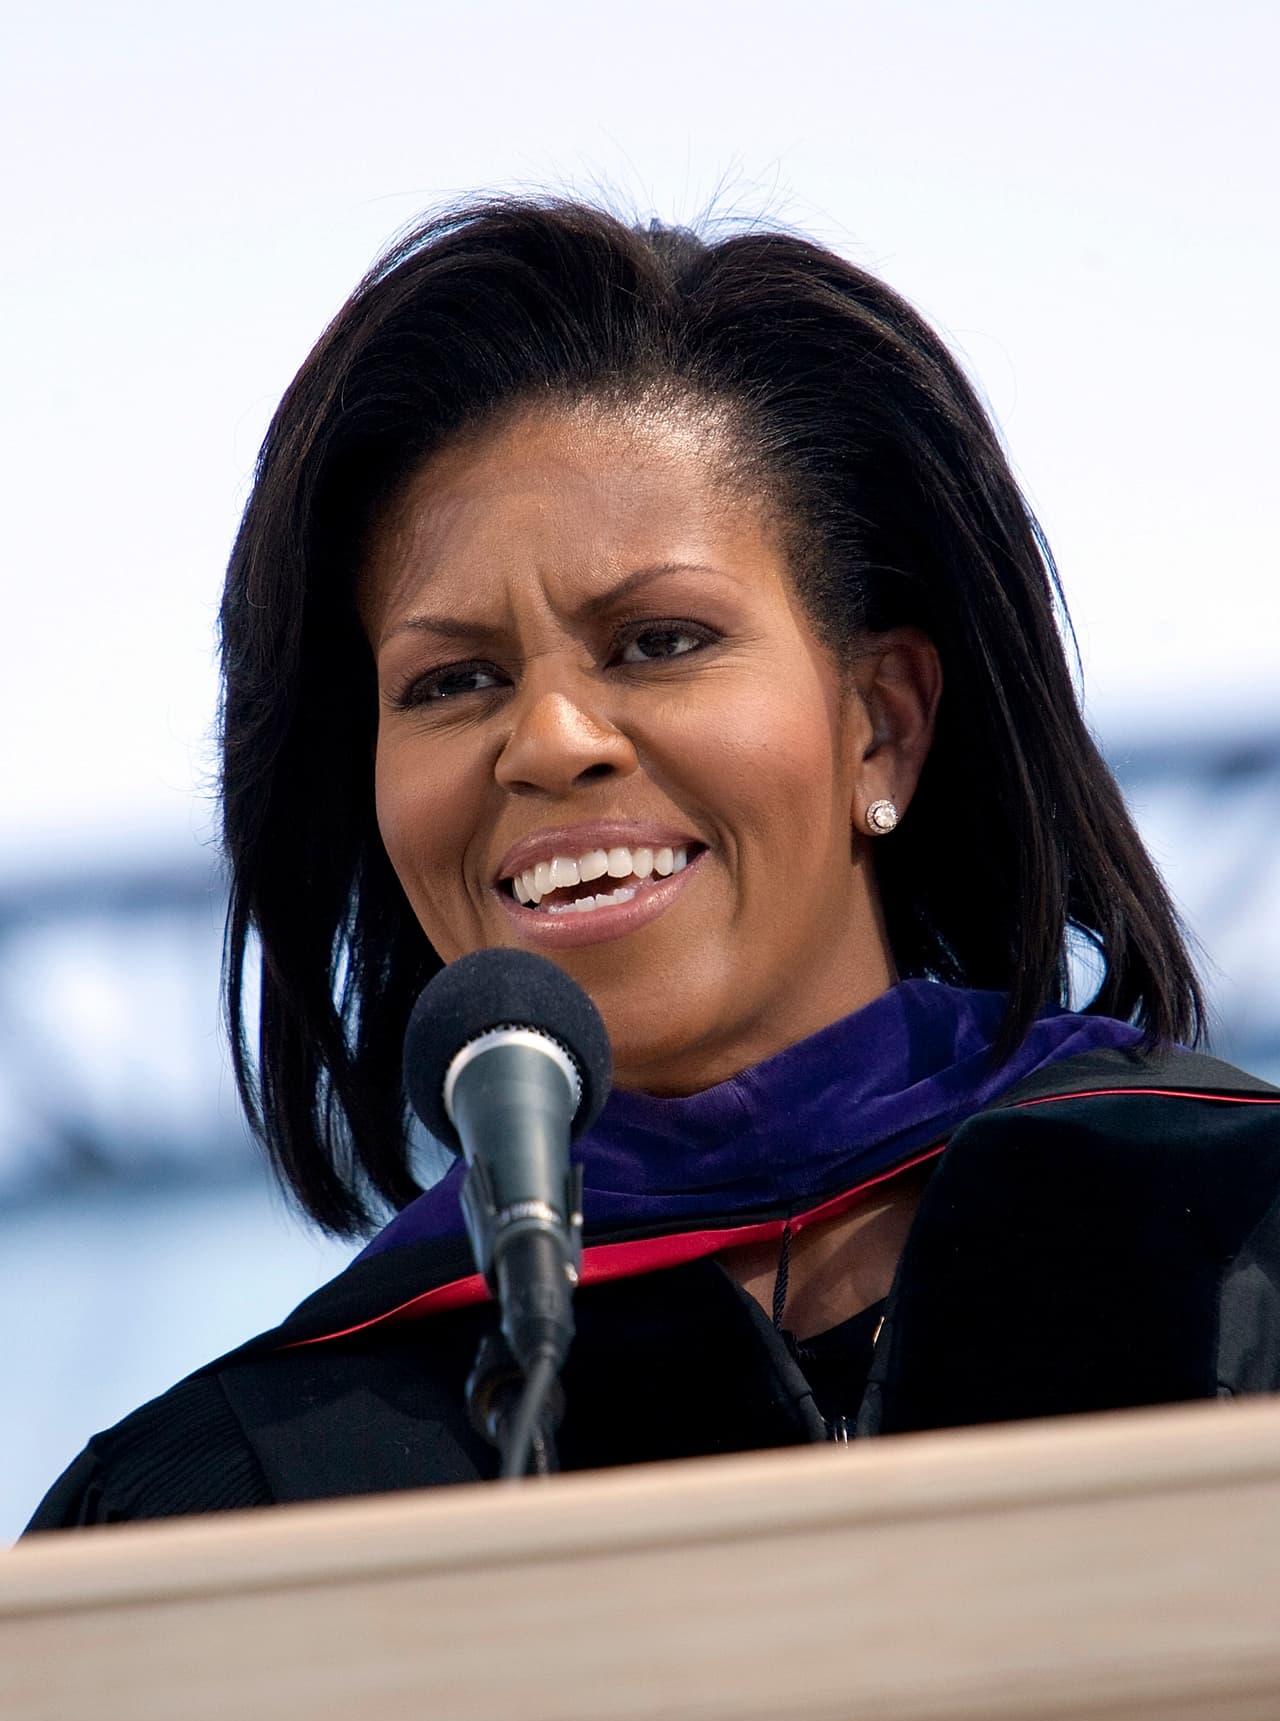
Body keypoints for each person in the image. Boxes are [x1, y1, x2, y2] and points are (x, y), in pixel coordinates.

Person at [27, 198, 1280, 1529]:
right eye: (454, 680)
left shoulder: (1232, 1230)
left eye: (659, 641)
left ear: (883, 724)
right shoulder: (222, 1496)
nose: (551, 740)